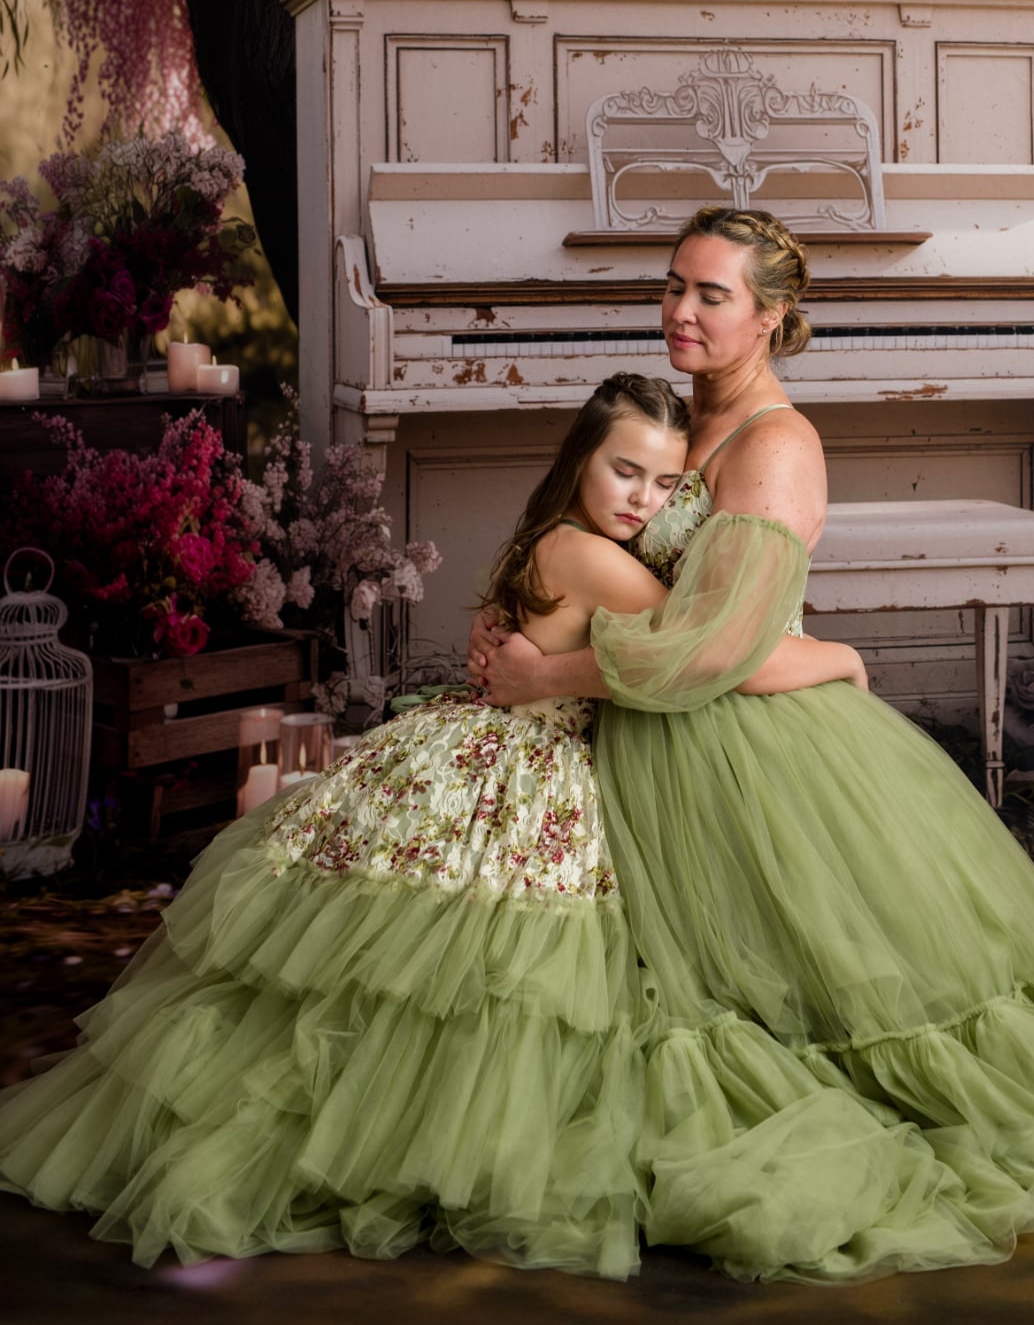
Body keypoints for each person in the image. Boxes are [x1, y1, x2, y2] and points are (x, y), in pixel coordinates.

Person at [470, 203, 1034, 1283]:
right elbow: (628, 563)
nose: (679, 311)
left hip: (726, 729)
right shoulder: (690, 416)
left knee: (804, 993)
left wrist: (549, 670)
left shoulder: (773, 443)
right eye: (673, 284)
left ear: (772, 317)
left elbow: (707, 650)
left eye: (711, 294)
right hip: (654, 725)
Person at [0, 372, 854, 1275]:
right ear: (580, 461)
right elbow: (717, 653)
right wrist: (837, 657)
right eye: (625, 472)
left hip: (484, 737)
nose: (643, 500)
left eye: (664, 485)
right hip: (526, 764)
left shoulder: (558, 538)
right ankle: (430, 1145)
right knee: (496, 974)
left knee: (423, 971)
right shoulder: (591, 557)